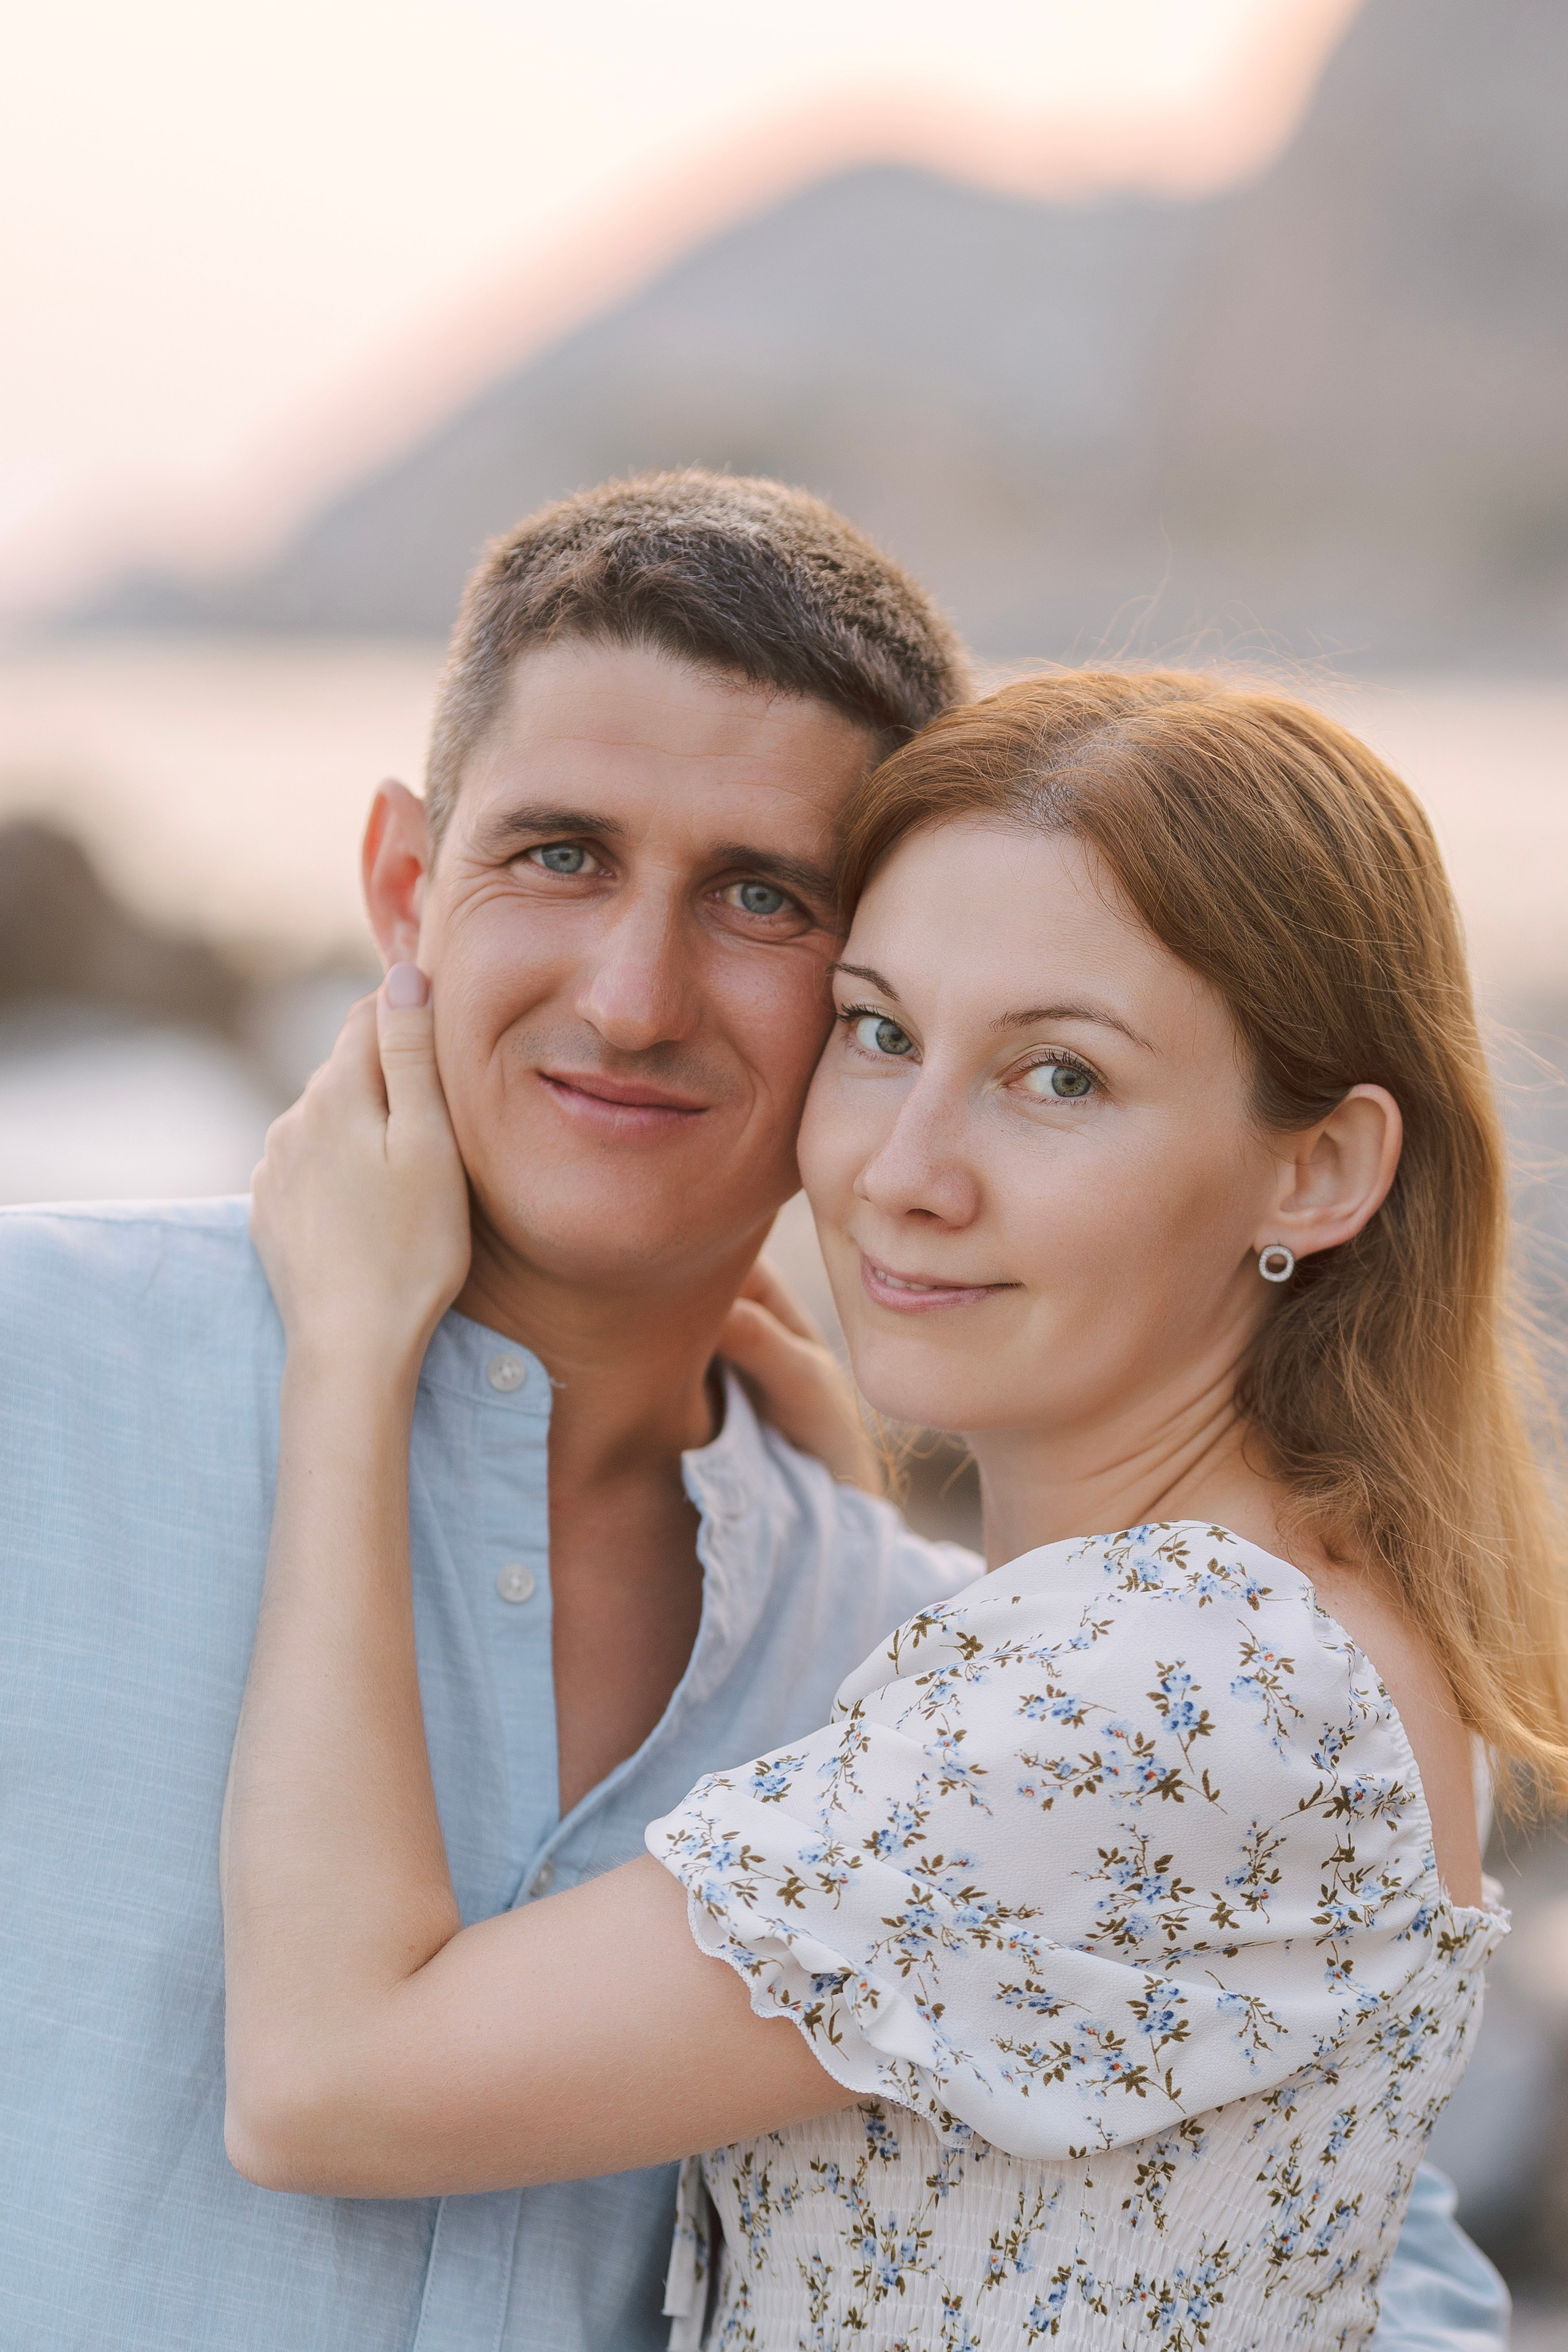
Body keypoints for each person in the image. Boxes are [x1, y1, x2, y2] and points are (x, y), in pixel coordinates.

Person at [0, 472, 1499, 2352]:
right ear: (403, 886)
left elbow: (1378, 2263)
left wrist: (356, 1371)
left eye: (760, 900)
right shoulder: (34, 1373)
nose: (632, 1000)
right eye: (556, 854)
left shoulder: (932, 1645)